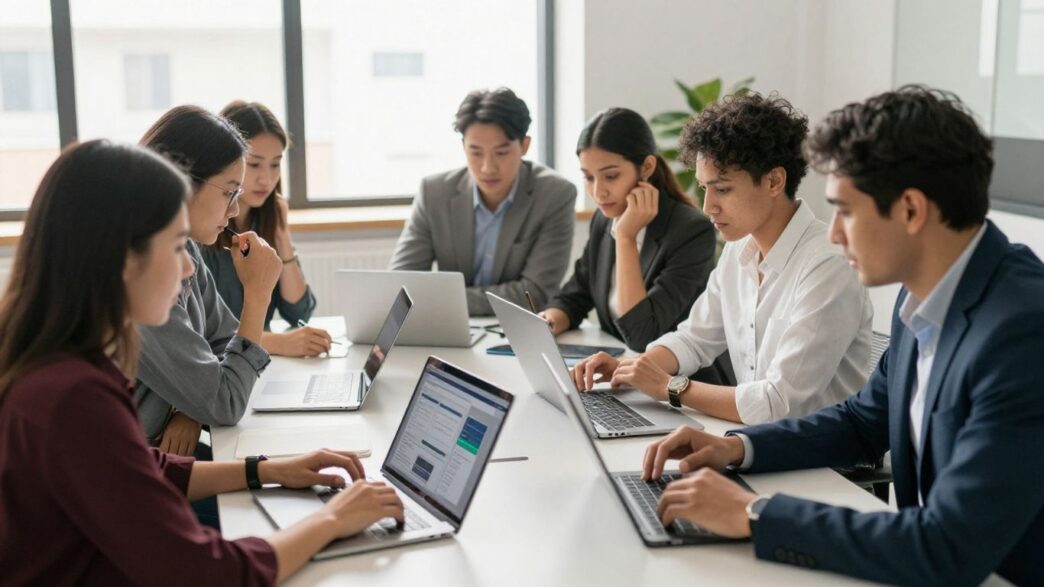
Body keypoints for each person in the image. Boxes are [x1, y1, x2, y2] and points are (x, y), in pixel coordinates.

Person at [641, 86, 1044, 586]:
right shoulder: (920, 298)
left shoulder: (1023, 331)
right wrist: (737, 448)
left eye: (845, 211)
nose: (832, 234)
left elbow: (949, 546)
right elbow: (861, 423)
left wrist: (756, 514)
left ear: (912, 211)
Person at [0, 140, 404, 585]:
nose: (189, 269)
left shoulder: (57, 361)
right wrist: (332, 521)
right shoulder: (74, 395)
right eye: (176, 248)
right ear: (120, 258)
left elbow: (144, 470)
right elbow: (206, 574)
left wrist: (265, 469)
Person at [573, 93, 872, 424]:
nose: (708, 207)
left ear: (774, 181)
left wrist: (669, 387)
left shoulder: (827, 264)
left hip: (823, 464)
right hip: (754, 444)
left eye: (723, 190)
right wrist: (633, 369)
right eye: (704, 189)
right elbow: (695, 338)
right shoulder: (738, 250)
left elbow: (780, 404)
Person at [136, 104, 282, 457]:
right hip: (127, 469)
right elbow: (225, 402)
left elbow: (221, 341)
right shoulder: (143, 276)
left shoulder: (183, 244)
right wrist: (258, 294)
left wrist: (189, 404)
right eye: (230, 192)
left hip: (158, 453)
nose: (235, 210)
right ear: (183, 183)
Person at [538, 108, 715, 352]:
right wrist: (548, 322)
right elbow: (576, 294)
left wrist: (625, 237)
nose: (598, 192)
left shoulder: (691, 231)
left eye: (610, 176)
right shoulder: (604, 219)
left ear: (646, 167)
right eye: (588, 177)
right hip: (617, 369)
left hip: (675, 381)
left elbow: (643, 335)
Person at [389, 87, 577, 316]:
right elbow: (401, 282)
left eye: (501, 152)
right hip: (449, 327)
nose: (488, 167)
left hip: (517, 330)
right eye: (476, 153)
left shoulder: (554, 195)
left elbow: (535, 293)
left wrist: (439, 300)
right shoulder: (434, 193)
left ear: (524, 146)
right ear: (463, 147)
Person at [199, 101, 331, 358]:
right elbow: (207, 332)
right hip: (225, 363)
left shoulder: (266, 220)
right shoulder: (205, 229)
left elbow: (299, 311)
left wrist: (282, 236)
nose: (267, 179)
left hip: (255, 363)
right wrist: (279, 343)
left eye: (275, 164)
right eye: (255, 164)